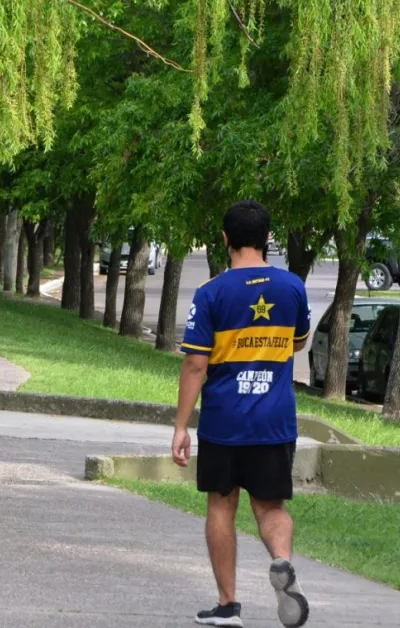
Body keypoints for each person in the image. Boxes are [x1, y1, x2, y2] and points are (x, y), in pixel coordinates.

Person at [173, 200, 311, 628]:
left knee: (221, 504)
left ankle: (228, 605)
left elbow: (195, 364)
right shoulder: (292, 287)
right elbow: (299, 342)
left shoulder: (211, 293)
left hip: (224, 421)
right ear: (267, 238)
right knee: (271, 507)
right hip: (274, 420)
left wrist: (181, 426)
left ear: (225, 238)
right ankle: (282, 561)